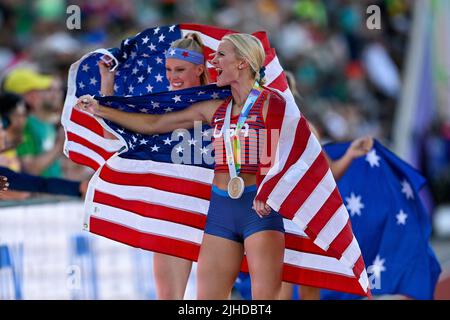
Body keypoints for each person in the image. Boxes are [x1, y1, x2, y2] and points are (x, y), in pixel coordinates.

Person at [76, 33, 286, 299]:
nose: (214, 60)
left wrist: (267, 188)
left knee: (263, 298)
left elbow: (273, 150)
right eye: (168, 70)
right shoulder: (205, 108)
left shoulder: (264, 101)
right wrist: (101, 106)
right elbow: (148, 126)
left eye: (221, 55)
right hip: (204, 209)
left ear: (242, 63)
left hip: (253, 205)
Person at [97, 33, 211, 300]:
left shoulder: (222, 101)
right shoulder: (157, 105)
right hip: (172, 210)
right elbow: (113, 137)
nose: (173, 76)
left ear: (200, 69)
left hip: (216, 212)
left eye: (180, 69)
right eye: (169, 69)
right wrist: (107, 84)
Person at [2, 68, 65, 178]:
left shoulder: (48, 124)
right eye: (47, 90)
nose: (56, 95)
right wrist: (60, 145)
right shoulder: (22, 126)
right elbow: (29, 169)